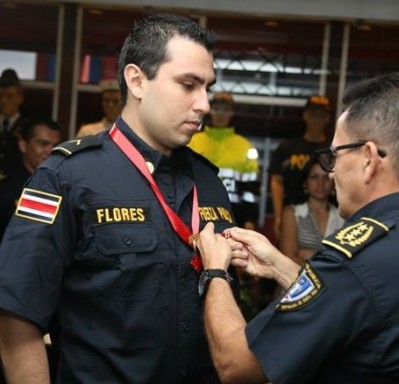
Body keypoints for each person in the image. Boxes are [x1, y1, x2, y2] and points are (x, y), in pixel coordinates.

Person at [0, 13, 238, 384]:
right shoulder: (67, 176)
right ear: (137, 80)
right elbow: (17, 315)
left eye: (207, 87)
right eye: (188, 85)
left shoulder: (209, 182)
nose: (204, 104)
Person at [195, 72, 399, 383]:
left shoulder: (352, 260)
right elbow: (358, 300)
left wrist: (214, 271)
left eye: (334, 156)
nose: (329, 174)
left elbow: (238, 365)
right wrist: (280, 266)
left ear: (369, 159)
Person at [189, 91, 260, 230]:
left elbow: (251, 190)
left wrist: (250, 219)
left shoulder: (245, 146)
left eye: (226, 109)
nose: (221, 114)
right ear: (210, 111)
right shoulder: (193, 141)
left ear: (232, 113)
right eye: (217, 109)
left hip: (234, 217)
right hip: (195, 214)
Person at [269, 94, 332, 242]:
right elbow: (276, 182)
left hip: (327, 215)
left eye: (321, 114)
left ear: (327, 118)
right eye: (313, 114)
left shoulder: (332, 150)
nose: (317, 119)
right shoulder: (287, 148)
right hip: (292, 213)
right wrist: (278, 216)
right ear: (305, 115)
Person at [0, 117, 61, 242]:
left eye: (55, 146)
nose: (50, 151)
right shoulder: (5, 189)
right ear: (23, 146)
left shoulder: (63, 187)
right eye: (43, 144)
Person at [279, 156, 344, 265]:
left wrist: (305, 253)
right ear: (305, 182)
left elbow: (343, 262)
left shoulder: (342, 216)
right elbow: (287, 259)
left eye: (326, 178)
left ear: (333, 182)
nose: (320, 183)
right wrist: (326, 260)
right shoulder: (291, 213)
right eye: (314, 177)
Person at [0, 68, 29, 172]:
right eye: (1, 96)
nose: (4, 101)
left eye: (10, 96)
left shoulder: (27, 126)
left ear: (20, 98)